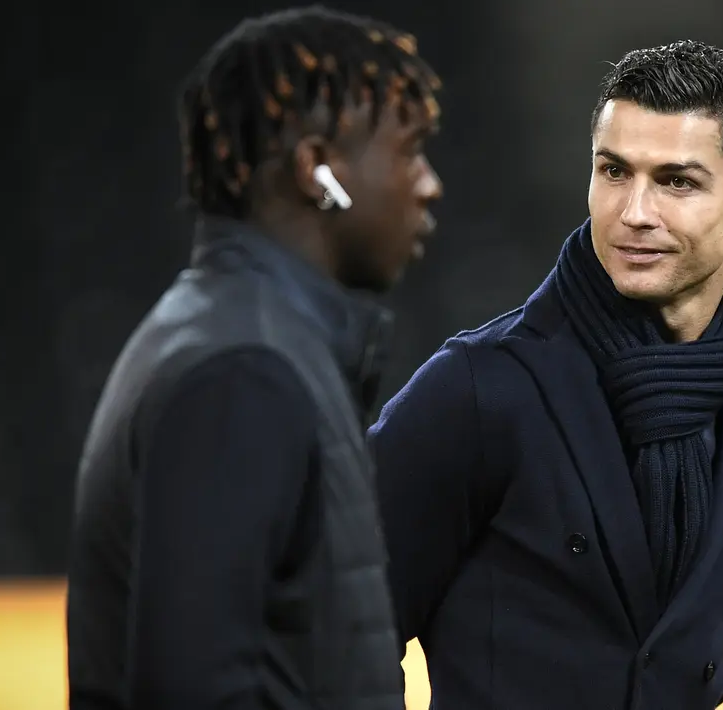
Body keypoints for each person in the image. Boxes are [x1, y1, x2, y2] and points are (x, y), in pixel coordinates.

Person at [369, 40, 723, 709]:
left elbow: (701, 664)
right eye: (614, 172)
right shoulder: (476, 387)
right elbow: (338, 628)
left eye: (676, 181)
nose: (634, 212)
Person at [65, 7, 443, 710]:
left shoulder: (235, 337)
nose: (428, 184)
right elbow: (189, 692)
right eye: (410, 150)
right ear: (318, 170)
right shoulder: (243, 370)